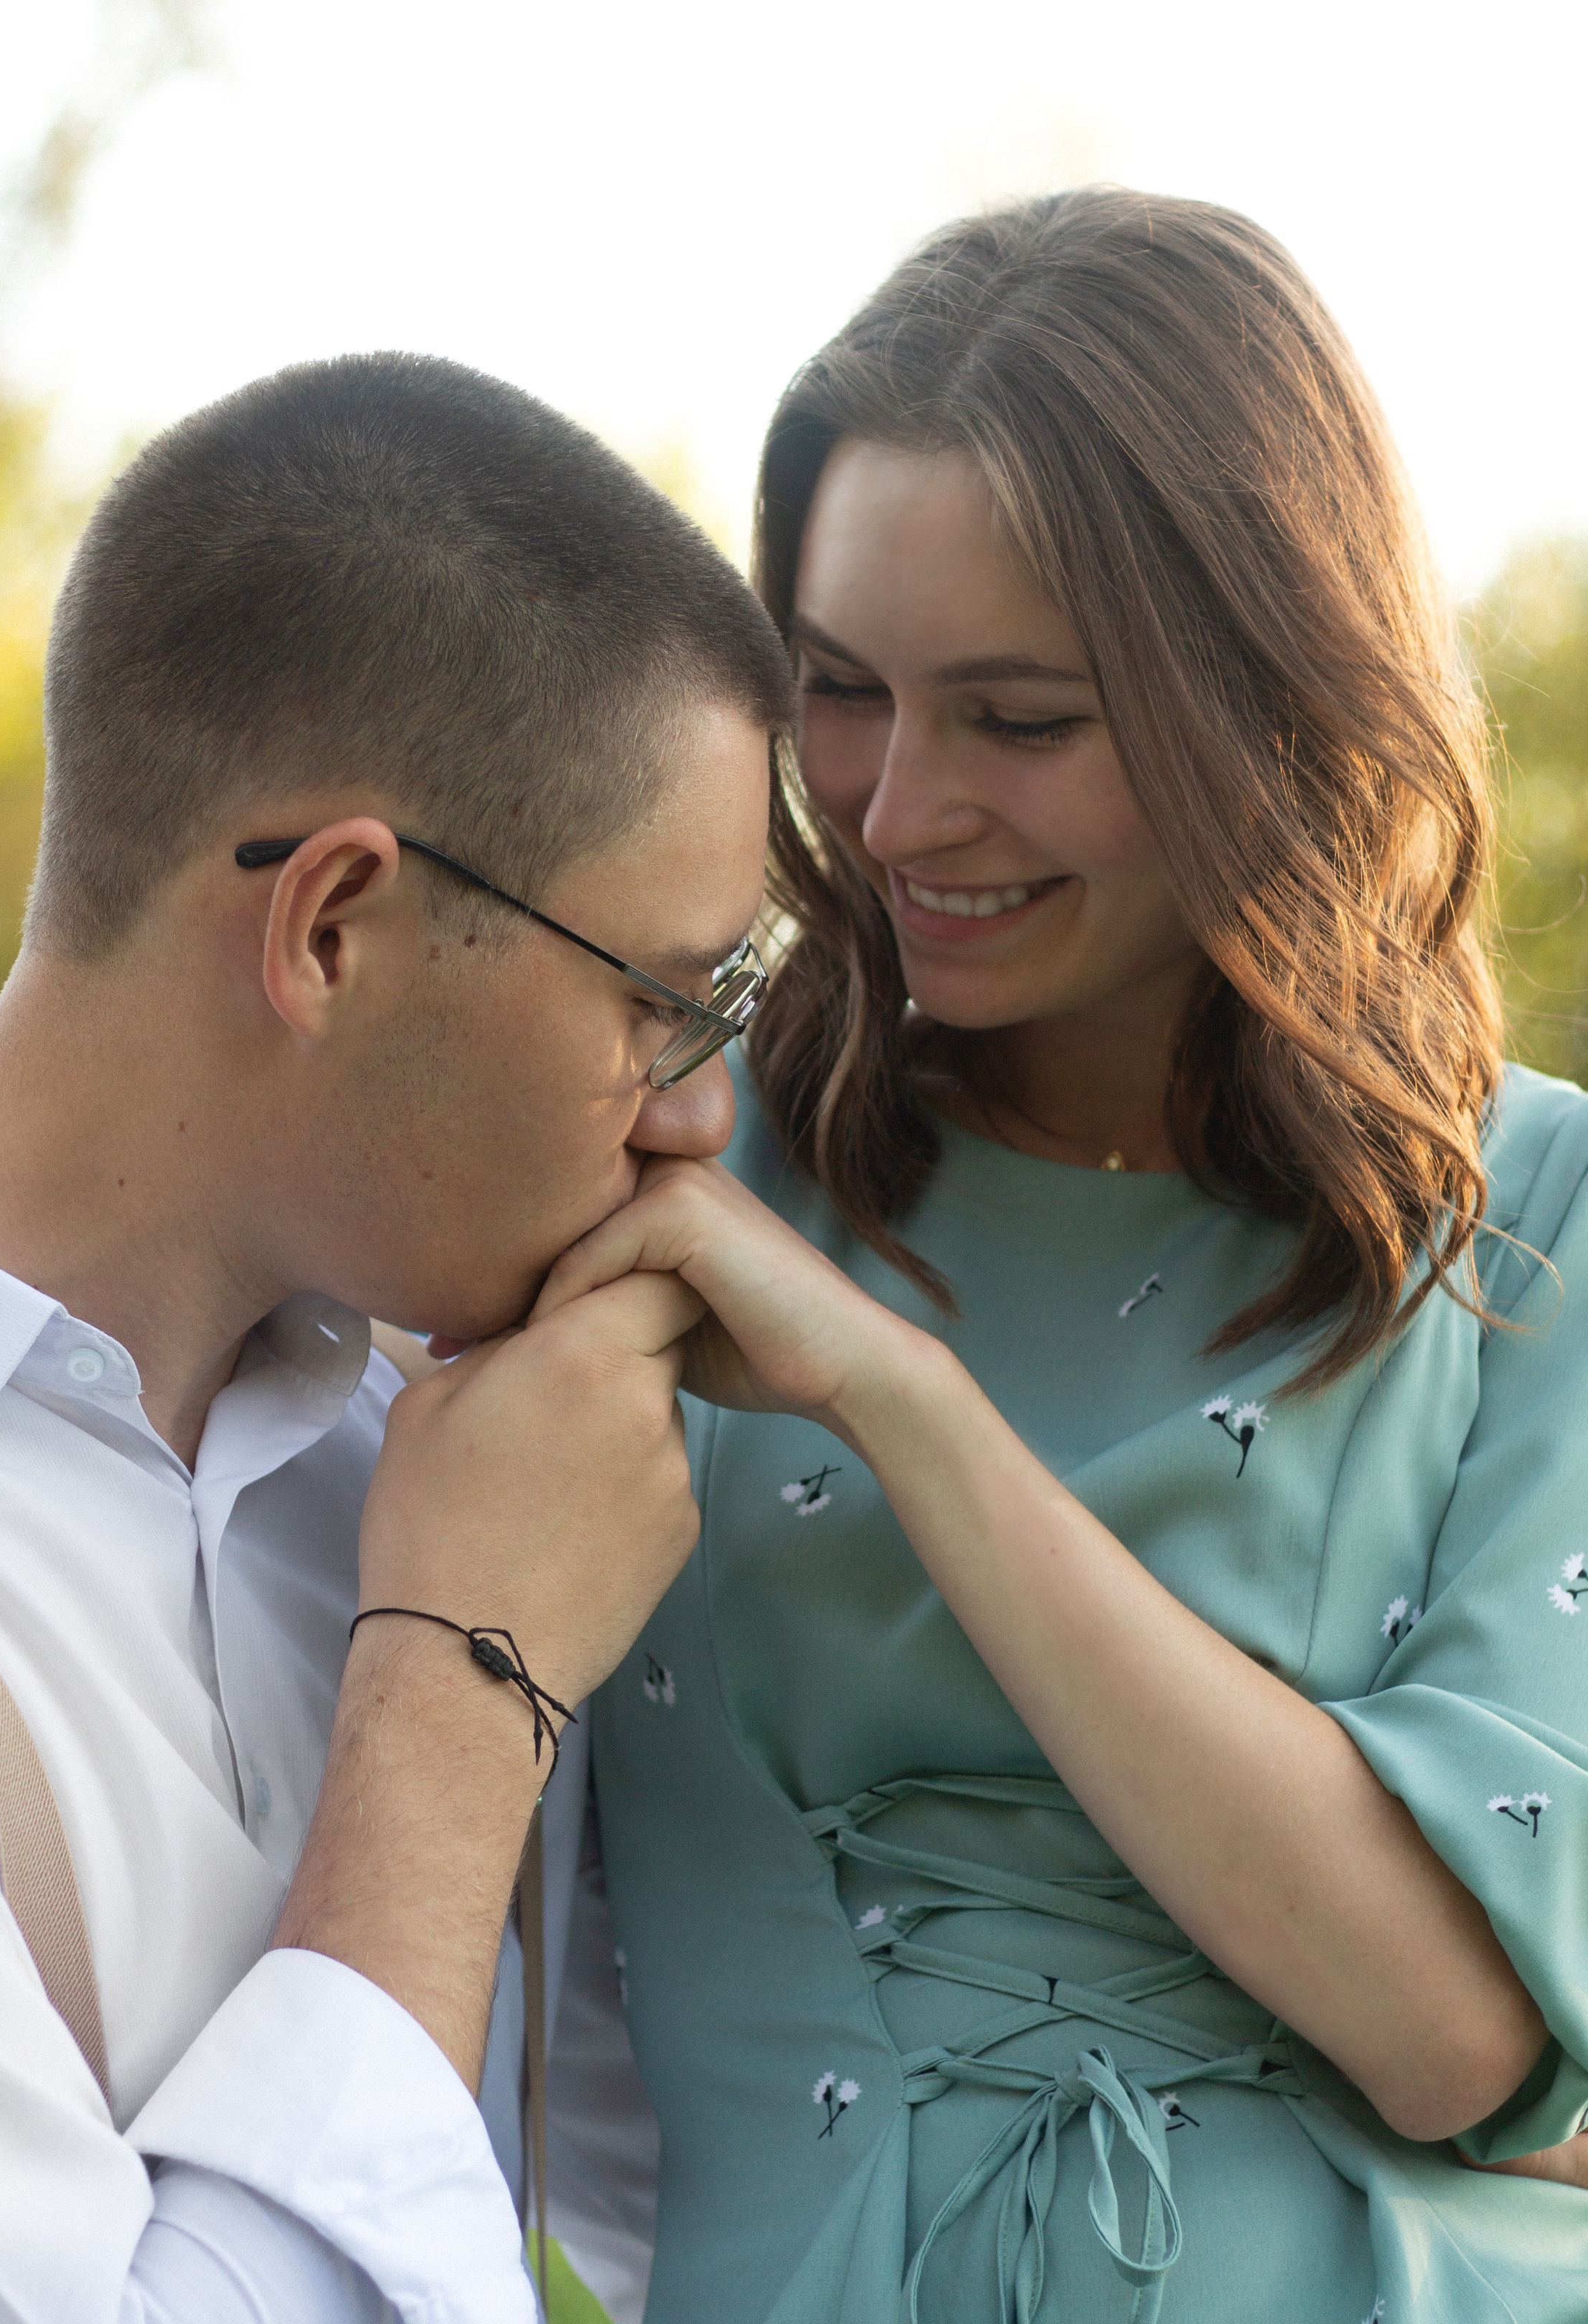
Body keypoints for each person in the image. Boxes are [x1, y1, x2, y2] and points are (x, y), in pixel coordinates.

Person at [528, 190, 1588, 2320]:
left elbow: (1464, 2027)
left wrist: (899, 1402)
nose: (901, 812)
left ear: (1263, 700)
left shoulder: (1533, 1221)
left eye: (1019, 721)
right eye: (838, 693)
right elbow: (197, 1310)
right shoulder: (645, 1144)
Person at [0, 349, 790, 2323]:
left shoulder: (437, 1460)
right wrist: (464, 1702)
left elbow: (781, 2173)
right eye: (661, 1000)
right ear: (332, 928)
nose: (700, 1117)